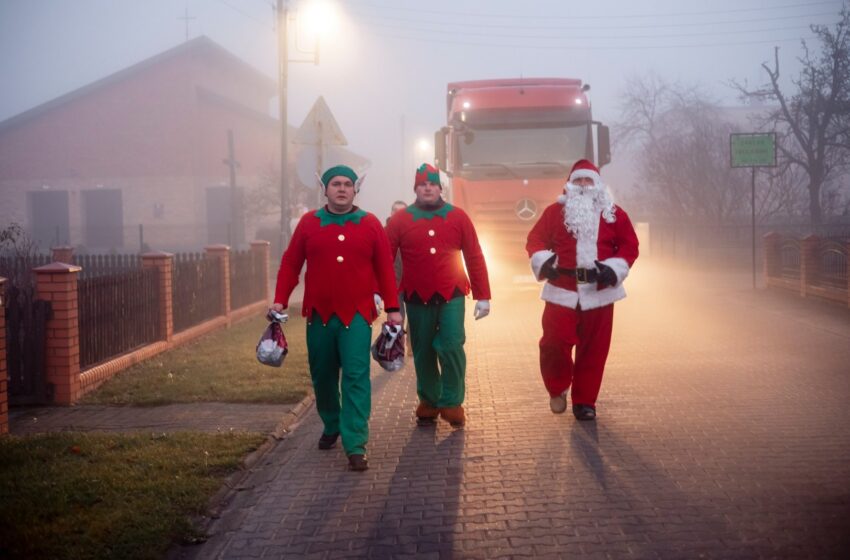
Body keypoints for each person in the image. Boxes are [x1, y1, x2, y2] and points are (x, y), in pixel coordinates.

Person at [272, 165, 402, 471]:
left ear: (355, 189)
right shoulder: (308, 223)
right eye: (335, 184)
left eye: (347, 184)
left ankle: (355, 442)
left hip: (357, 315)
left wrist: (393, 308)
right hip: (318, 315)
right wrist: (280, 298)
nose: (341, 189)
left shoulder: (370, 224)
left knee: (356, 376)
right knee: (323, 376)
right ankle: (332, 424)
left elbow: (385, 268)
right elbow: (291, 264)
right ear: (325, 189)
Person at [526, 159, 639, 421]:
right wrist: (544, 262)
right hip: (561, 290)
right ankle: (558, 387)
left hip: (599, 291)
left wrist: (615, 268)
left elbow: (629, 245)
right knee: (554, 343)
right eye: (579, 181)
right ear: (570, 184)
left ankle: (585, 401)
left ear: (598, 184)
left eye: (589, 180)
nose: (584, 185)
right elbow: (535, 240)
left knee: (594, 349)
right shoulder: (555, 213)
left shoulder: (614, 214)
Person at [386, 163, 491, 428]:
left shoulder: (458, 217)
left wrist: (483, 295)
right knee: (422, 351)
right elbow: (385, 261)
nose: (428, 188)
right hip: (415, 295)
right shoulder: (400, 220)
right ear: (416, 189)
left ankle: (453, 401)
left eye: (432, 184)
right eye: (422, 184)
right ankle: (429, 401)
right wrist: (384, 296)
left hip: (452, 293)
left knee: (452, 344)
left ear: (439, 187)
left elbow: (474, 255)